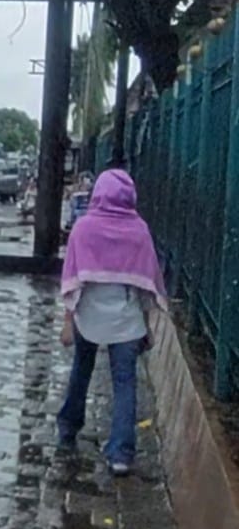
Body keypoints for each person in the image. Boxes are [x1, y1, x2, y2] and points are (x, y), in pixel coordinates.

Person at [57, 169, 166, 476]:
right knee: (125, 382)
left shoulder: (84, 228)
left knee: (82, 369)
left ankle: (68, 428)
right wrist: (147, 324)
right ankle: (121, 454)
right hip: (127, 322)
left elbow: (71, 280)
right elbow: (146, 283)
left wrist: (68, 321)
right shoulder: (140, 231)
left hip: (88, 317)